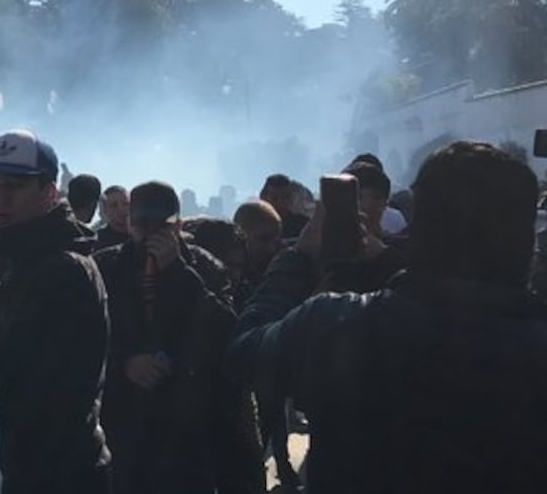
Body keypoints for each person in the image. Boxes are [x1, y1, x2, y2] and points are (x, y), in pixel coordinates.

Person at [229, 141, 547, 493]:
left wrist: (299, 257)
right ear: (524, 240)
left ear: (420, 229)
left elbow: (246, 352)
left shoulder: (339, 323)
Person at [0, 130, 111, 493]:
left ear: (49, 193)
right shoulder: (17, 260)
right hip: (29, 466)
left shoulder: (65, 270)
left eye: (17, 185)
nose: (2, 197)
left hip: (61, 473)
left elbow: (15, 372)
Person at [96, 186, 262, 494]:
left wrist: (177, 272)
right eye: (142, 225)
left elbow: (226, 332)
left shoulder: (206, 268)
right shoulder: (106, 267)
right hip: (124, 422)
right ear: (129, 224)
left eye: (162, 226)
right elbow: (86, 337)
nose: (151, 235)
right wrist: (125, 362)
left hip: (187, 423)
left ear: (178, 226)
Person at [231, 200, 284, 305]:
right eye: (264, 239)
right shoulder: (225, 279)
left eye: (276, 241)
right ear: (241, 235)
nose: (271, 248)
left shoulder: (275, 274)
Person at [260, 174, 309, 241]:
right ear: (265, 199)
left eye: (286, 197)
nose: (280, 203)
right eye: (274, 198)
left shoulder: (304, 225)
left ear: (292, 198)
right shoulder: (255, 226)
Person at [95, 185, 130, 252]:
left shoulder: (142, 235)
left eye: (125, 204)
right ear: (105, 210)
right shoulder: (97, 241)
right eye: (114, 205)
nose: (121, 209)